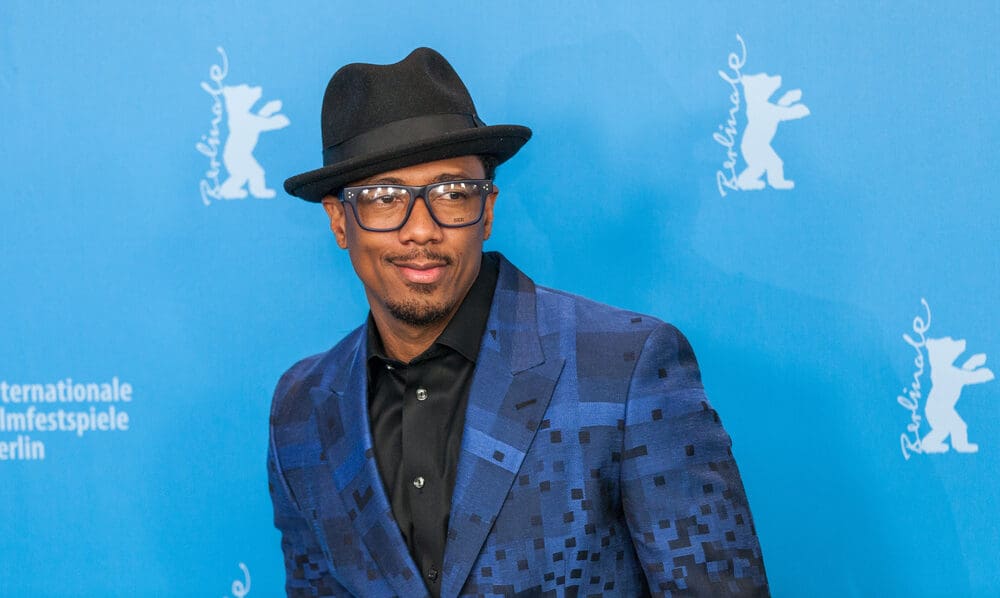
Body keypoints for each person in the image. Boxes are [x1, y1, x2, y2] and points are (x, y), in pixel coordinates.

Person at [269, 47, 769, 597]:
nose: (421, 230)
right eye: (384, 198)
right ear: (340, 221)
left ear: (486, 211)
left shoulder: (626, 369)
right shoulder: (301, 407)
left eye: (452, 194)